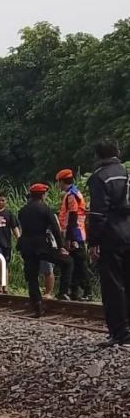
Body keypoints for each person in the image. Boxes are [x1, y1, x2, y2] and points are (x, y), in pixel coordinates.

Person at [86, 137, 130, 346]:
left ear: (97, 156)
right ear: (118, 152)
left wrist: (93, 242)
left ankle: (120, 331)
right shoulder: (126, 173)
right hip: (128, 232)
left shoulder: (100, 178)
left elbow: (97, 213)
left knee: (113, 285)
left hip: (111, 237)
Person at [17, 184, 74, 316]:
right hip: (42, 245)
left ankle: (37, 306)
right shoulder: (45, 209)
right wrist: (61, 247)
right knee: (68, 262)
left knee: (31, 277)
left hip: (26, 246)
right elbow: (55, 229)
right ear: (43, 195)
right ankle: (62, 292)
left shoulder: (22, 210)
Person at [56, 169, 92, 301]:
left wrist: (69, 239)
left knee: (79, 264)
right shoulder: (75, 192)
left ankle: (87, 291)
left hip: (75, 234)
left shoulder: (71, 195)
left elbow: (72, 217)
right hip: (77, 233)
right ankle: (74, 291)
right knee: (75, 264)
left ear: (61, 181)